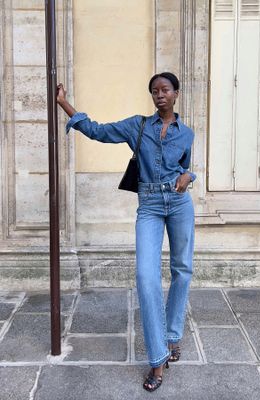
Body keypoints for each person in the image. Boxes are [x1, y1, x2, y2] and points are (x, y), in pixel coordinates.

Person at [56, 72, 196, 392]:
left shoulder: (186, 133)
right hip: (148, 204)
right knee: (146, 277)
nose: (159, 95)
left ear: (176, 93)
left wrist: (190, 175)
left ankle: (173, 337)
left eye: (165, 90)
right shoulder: (138, 126)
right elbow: (98, 131)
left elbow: (187, 167)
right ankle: (158, 357)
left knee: (182, 270)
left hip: (178, 204)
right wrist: (65, 103)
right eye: (154, 91)